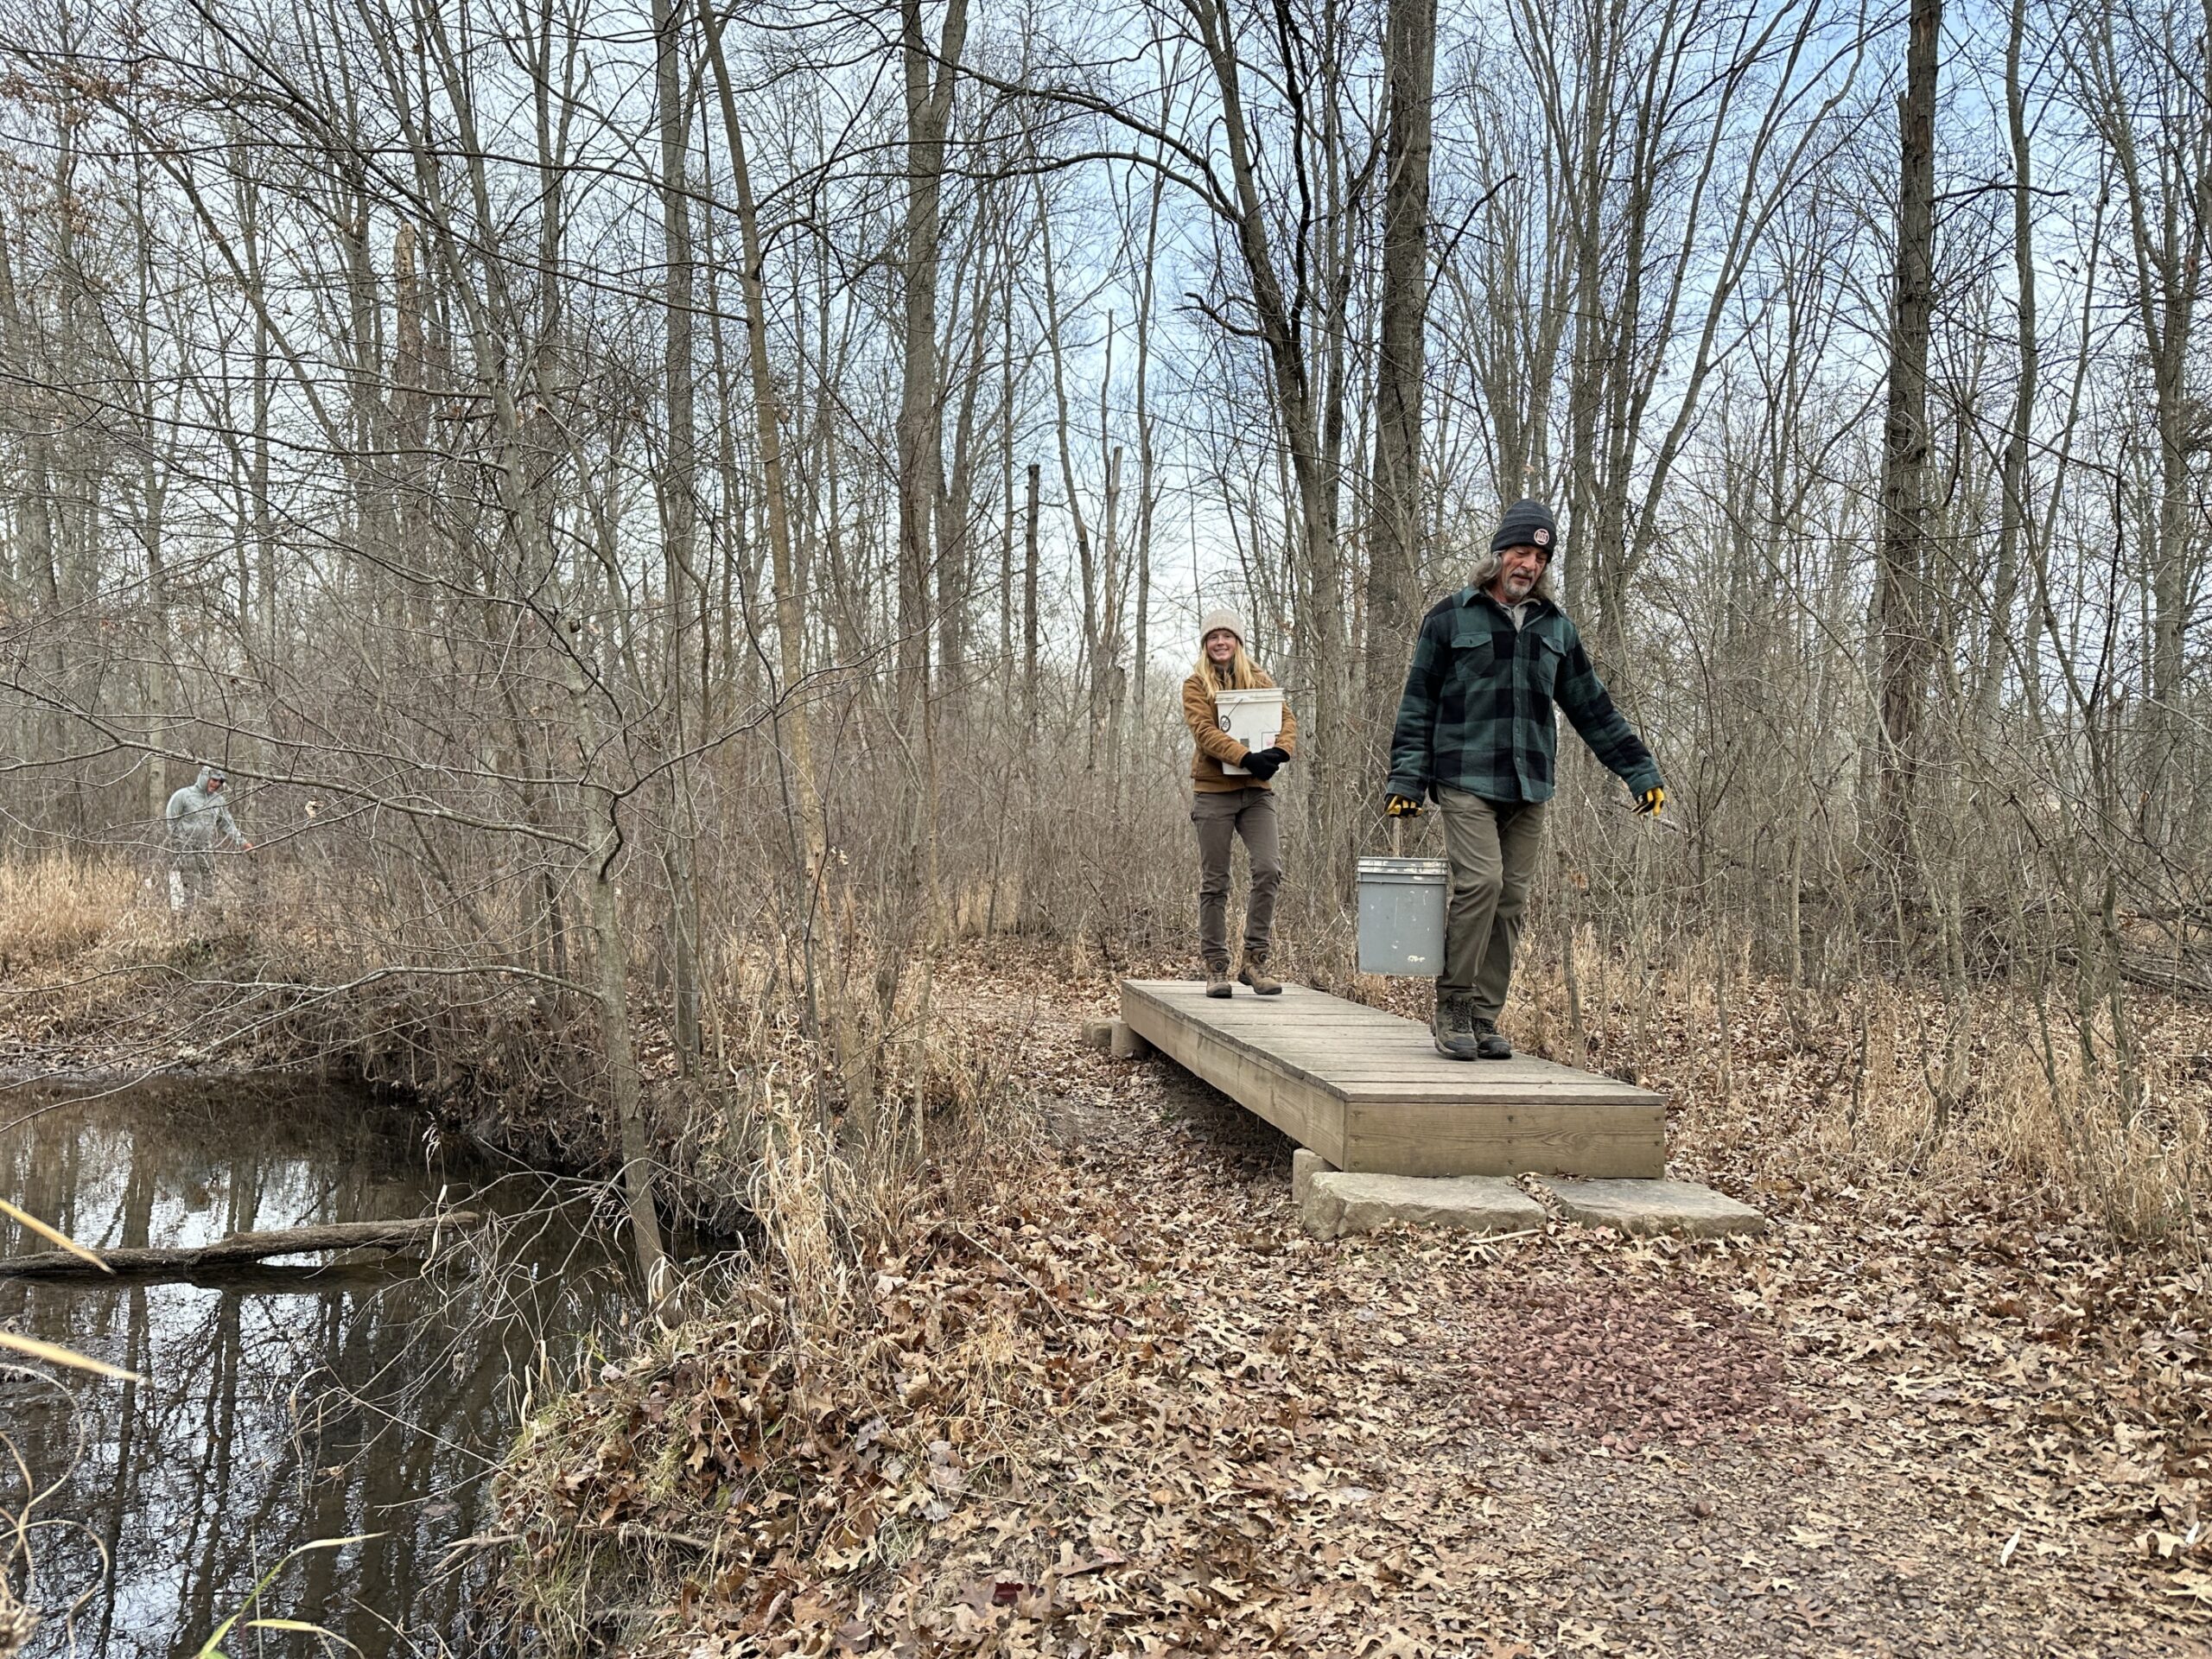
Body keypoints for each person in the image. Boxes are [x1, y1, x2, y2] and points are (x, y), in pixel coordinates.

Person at [1383, 500, 1663, 1060]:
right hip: (1464, 777)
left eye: (1539, 556)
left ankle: (1484, 1017)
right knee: (1482, 883)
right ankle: (1454, 1003)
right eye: (1520, 552)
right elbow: (1418, 705)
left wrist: (1639, 770)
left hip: (1530, 784)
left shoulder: (1556, 629)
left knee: (1511, 899)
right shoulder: (1450, 617)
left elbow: (1594, 710)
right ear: (1498, 554)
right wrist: (1406, 780)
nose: (1528, 564)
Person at [1182, 607, 1298, 999]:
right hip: (1214, 791)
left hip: (1256, 793)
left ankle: (1254, 961)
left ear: (1238, 641)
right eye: (1213, 637)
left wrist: (1279, 753)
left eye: (1226, 636)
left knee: (1268, 869)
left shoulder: (1261, 679)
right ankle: (1216, 966)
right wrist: (1245, 756)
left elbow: (1287, 720)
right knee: (1215, 881)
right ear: (1205, 644)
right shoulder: (1195, 684)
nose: (1220, 642)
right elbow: (1204, 732)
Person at [165, 763, 253, 911]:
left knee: (208, 877)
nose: (216, 784)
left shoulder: (218, 801)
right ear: (204, 777)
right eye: (213, 780)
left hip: (205, 845)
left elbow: (227, 824)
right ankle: (184, 913)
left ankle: (207, 912)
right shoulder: (183, 795)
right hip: (184, 845)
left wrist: (242, 842)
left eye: (220, 782)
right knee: (188, 878)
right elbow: (171, 820)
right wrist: (178, 843)